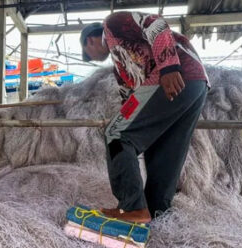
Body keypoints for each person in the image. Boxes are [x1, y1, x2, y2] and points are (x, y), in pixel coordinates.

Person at [80, 12, 209, 223]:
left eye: (88, 54)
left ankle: (131, 208)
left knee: (116, 135)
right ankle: (157, 210)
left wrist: (168, 66)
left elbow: (154, 23)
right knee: (163, 149)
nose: (91, 58)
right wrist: (132, 123)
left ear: (90, 40)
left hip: (172, 75)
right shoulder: (119, 67)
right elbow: (130, 100)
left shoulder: (112, 24)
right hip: (196, 85)